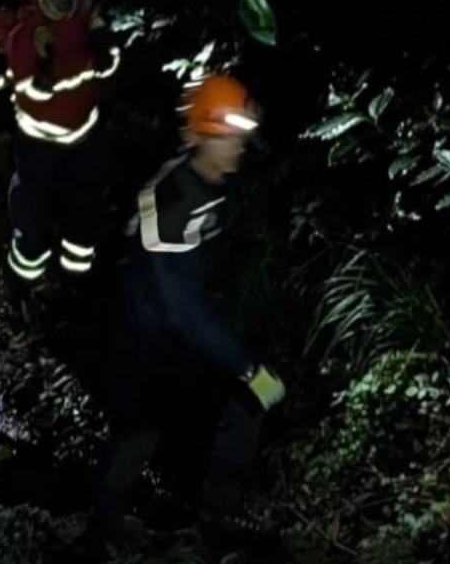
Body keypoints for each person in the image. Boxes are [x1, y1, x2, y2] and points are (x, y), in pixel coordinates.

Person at [87, 75, 285, 553]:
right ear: (198, 136)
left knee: (242, 407)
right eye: (226, 134)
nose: (236, 144)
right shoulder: (172, 199)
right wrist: (245, 365)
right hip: (147, 341)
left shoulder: (218, 185)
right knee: (137, 436)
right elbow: (181, 304)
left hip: (186, 333)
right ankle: (97, 538)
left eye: (240, 133)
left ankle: (221, 511)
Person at [1, 0, 119, 285]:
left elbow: (110, 68)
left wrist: (100, 43)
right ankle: (25, 277)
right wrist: (66, 68)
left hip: (85, 138)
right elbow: (33, 97)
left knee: (86, 208)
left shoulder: (85, 10)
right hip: (40, 143)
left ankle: (77, 279)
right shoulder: (27, 36)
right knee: (33, 211)